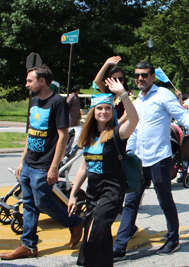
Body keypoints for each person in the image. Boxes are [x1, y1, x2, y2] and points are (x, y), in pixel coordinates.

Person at [113, 62, 189, 259]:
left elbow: (181, 115)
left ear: (153, 77)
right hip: (138, 160)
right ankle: (119, 246)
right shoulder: (136, 102)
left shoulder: (163, 94)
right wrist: (130, 154)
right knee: (130, 202)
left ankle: (173, 239)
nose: (140, 79)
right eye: (137, 75)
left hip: (159, 159)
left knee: (165, 201)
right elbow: (135, 130)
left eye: (144, 75)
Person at [0, 65, 83, 260]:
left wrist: (54, 166)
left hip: (45, 164)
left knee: (43, 202)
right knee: (28, 204)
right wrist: (22, 161)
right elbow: (31, 133)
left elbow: (63, 136)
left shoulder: (57, 102)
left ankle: (75, 222)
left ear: (42, 81)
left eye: (30, 81)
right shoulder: (34, 101)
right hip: (29, 163)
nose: (27, 84)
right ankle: (28, 245)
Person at [67, 78, 139, 266]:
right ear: (93, 112)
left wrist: (123, 94)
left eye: (108, 108)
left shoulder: (118, 133)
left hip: (112, 191)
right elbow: (84, 168)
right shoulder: (88, 137)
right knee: (102, 236)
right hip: (93, 193)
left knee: (94, 232)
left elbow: (134, 119)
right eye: (99, 108)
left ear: (112, 112)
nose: (103, 111)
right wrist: (73, 194)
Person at [94, 56, 135, 124]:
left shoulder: (129, 94)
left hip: (120, 129)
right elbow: (97, 81)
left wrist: (114, 126)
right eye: (114, 79)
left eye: (120, 79)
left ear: (124, 80)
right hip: (107, 127)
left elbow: (126, 115)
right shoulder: (107, 92)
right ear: (109, 80)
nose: (117, 81)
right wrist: (106, 64)